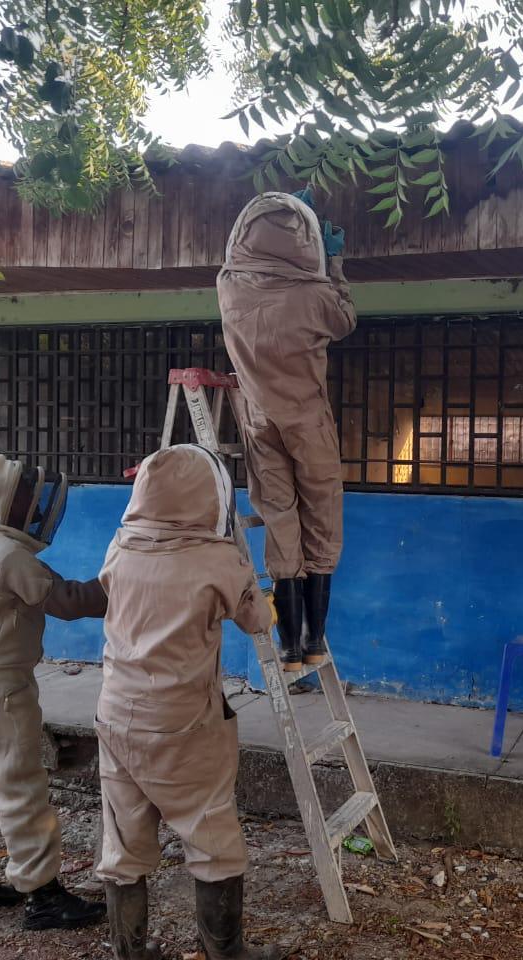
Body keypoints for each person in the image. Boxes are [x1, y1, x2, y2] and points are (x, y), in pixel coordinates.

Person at [95, 444, 285, 960]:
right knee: (211, 836)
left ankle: (128, 952)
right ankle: (225, 953)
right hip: (184, 720)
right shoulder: (218, 558)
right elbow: (257, 621)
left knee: (123, 840)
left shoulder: (121, 547)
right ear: (212, 496)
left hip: (116, 714)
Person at [0, 455, 108, 929]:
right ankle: (43, 894)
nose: (34, 508)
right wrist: (127, 577)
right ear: (4, 504)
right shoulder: (8, 556)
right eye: (23, 499)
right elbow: (71, 602)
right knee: (20, 785)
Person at [217, 188, 355, 672]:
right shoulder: (315, 294)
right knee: (321, 513)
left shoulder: (229, 285)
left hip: (259, 421)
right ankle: (315, 641)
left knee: (278, 516)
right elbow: (344, 321)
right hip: (307, 419)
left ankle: (289, 648)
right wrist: (332, 263)